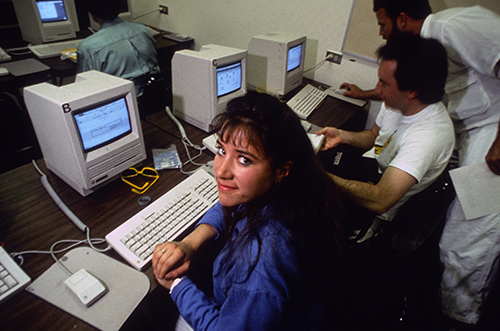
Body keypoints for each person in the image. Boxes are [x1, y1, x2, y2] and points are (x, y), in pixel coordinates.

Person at [339, 1, 500, 327]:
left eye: (382, 25)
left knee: (465, 240)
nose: (381, 32)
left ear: (401, 19)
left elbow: (382, 198)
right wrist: (373, 93)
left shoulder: (453, 26)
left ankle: (456, 318)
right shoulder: (421, 64)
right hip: (468, 129)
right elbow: (398, 89)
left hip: (492, 136)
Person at [151, 91, 345, 330]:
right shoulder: (294, 192)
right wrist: (191, 241)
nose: (220, 171)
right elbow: (231, 202)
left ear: (281, 170)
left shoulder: (260, 264)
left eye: (244, 160)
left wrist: (177, 286)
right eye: (222, 150)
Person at [317, 33, 454, 242]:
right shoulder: (397, 103)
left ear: (412, 91)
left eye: (385, 83)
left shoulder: (429, 137)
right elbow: (374, 136)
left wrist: (320, 176)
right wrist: (342, 136)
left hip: (376, 205)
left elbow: (381, 200)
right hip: (372, 165)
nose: (378, 89)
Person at [77, 0, 160, 97]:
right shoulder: (143, 30)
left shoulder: (88, 46)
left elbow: (85, 87)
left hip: (122, 101)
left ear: (92, 13)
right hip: (156, 97)